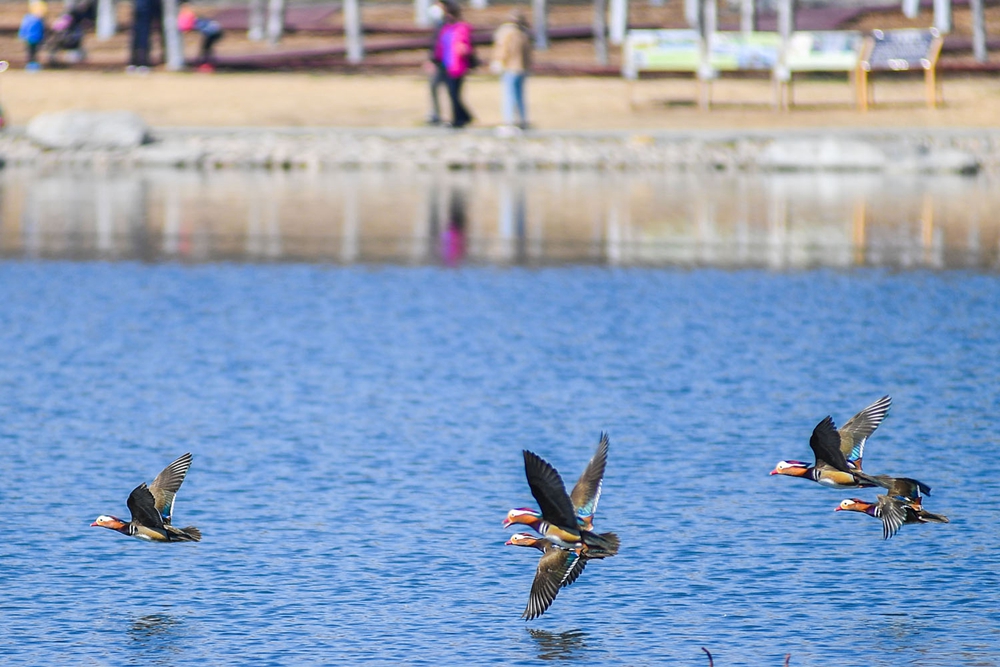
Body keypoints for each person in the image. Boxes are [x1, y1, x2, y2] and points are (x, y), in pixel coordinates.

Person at [491, 10, 532, 130]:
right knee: (520, 95)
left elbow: (503, 49)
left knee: (509, 95)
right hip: (522, 68)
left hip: (510, 68)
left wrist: (498, 61)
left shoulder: (507, 32)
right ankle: (522, 119)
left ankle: (509, 120)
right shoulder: (524, 34)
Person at [435, 1, 474, 129]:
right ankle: (463, 116)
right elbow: (440, 46)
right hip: (446, 64)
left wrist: (463, 49)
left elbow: (466, 45)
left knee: (454, 93)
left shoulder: (461, 28)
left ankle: (459, 118)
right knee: (452, 93)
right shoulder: (446, 28)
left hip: (458, 66)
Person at [178, 3, 224, 72]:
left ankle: (207, 65)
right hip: (212, 32)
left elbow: (187, 28)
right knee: (206, 49)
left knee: (206, 49)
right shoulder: (194, 17)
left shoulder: (191, 17)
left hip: (213, 33)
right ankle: (206, 64)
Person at [424, 1, 447, 125]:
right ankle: (435, 113)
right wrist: (431, 60)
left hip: (445, 62)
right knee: (433, 87)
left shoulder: (447, 24)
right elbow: (434, 45)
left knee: (449, 89)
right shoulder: (438, 25)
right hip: (438, 61)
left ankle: (446, 114)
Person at [18, 0, 47, 71]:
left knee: (35, 52)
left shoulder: (40, 20)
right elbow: (24, 27)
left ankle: (34, 64)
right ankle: (30, 65)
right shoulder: (29, 18)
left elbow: (42, 30)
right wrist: (22, 34)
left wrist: (42, 37)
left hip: (37, 38)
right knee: (30, 52)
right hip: (30, 38)